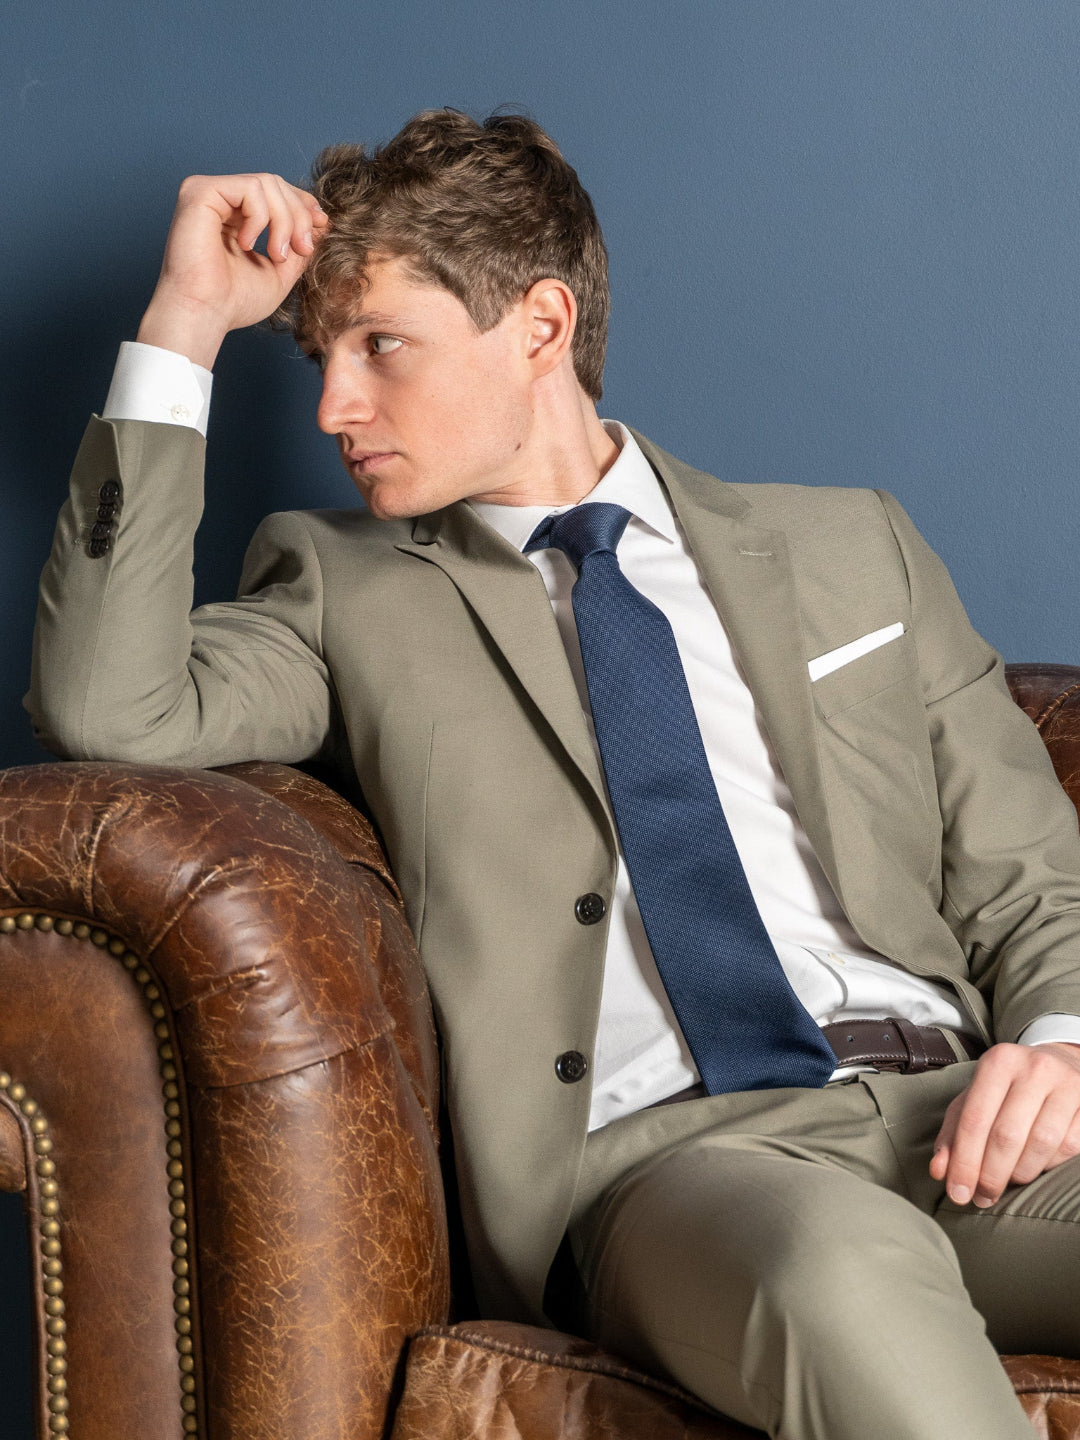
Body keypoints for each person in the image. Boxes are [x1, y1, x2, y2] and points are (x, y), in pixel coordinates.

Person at [25, 109, 1080, 1440]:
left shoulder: (850, 546)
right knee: (838, 1271)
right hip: (684, 1170)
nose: (334, 405)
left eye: (379, 345)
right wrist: (182, 325)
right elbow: (106, 703)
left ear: (539, 324)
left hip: (961, 1119)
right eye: (320, 358)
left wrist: (1063, 1046)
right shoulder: (344, 587)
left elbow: (1034, 878)